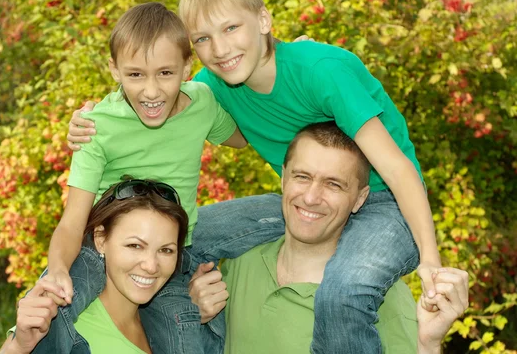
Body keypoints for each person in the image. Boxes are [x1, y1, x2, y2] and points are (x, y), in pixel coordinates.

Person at [67, 0, 442, 354]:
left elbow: (398, 168)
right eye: (203, 39)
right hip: (308, 201)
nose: (220, 48)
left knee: (344, 292)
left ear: (264, 20)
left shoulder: (321, 71)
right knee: (175, 239)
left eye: (231, 28)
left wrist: (430, 258)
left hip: (386, 202)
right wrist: (91, 121)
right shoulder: (212, 87)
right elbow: (151, 88)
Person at [187, 123, 469, 354]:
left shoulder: (375, 297)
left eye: (333, 184)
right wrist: (190, 315)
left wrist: (427, 345)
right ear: (284, 178)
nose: (311, 197)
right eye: (302, 177)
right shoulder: (237, 261)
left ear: (359, 199)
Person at [45, 1, 246, 313]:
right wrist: (58, 270)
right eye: (135, 74)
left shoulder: (203, 104)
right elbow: (73, 223)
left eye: (165, 73)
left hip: (178, 246)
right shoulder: (97, 127)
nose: (151, 91)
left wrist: (283, 65)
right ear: (115, 69)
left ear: (187, 68)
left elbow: (246, 137)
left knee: (274, 213)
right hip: (105, 249)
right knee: (53, 305)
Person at [0, 179, 189, 354]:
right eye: (135, 246)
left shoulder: (170, 328)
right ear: (100, 240)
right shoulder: (63, 319)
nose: (151, 266)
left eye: (166, 250)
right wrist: (19, 346)